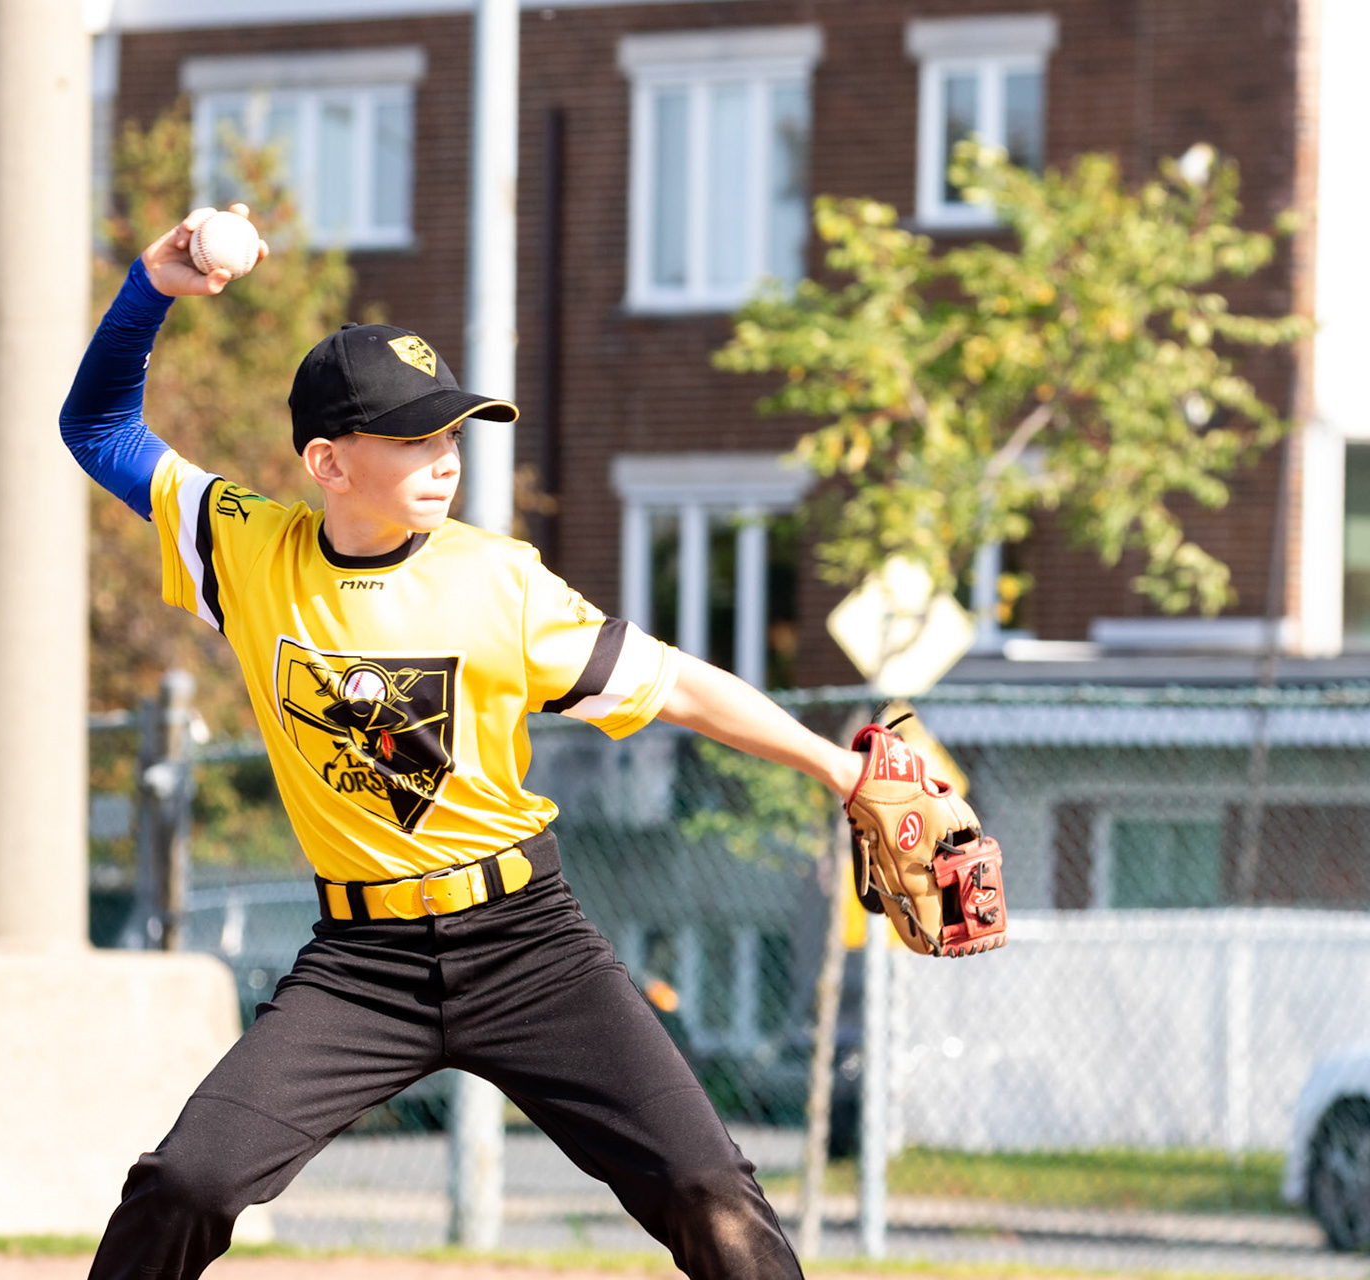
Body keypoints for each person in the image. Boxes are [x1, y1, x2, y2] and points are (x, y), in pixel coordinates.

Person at [62, 204, 865, 1279]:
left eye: (450, 433)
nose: (445, 459)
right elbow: (98, 430)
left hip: (527, 943)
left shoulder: (500, 582)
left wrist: (839, 766)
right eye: (413, 438)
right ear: (327, 462)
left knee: (706, 1189)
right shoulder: (246, 550)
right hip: (362, 966)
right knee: (186, 1184)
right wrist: (150, 287)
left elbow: (676, 683)